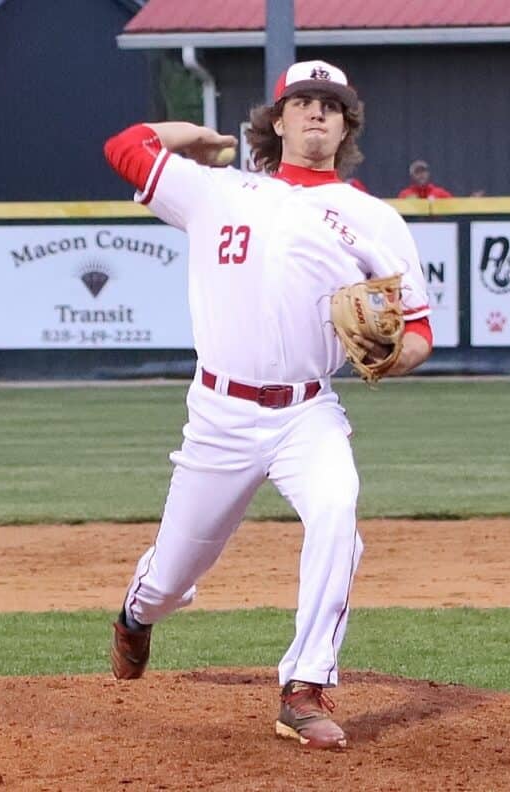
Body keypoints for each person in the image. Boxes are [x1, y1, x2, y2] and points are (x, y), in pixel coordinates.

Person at [102, 59, 433, 750]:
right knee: (172, 578)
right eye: (303, 102)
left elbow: (419, 333)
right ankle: (137, 616)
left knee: (338, 513)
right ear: (277, 121)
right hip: (219, 414)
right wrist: (191, 134)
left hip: (308, 411)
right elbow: (124, 147)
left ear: (345, 128)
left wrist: (396, 356)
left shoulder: (374, 219)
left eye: (331, 106)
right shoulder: (219, 191)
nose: (316, 113)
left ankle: (303, 689)